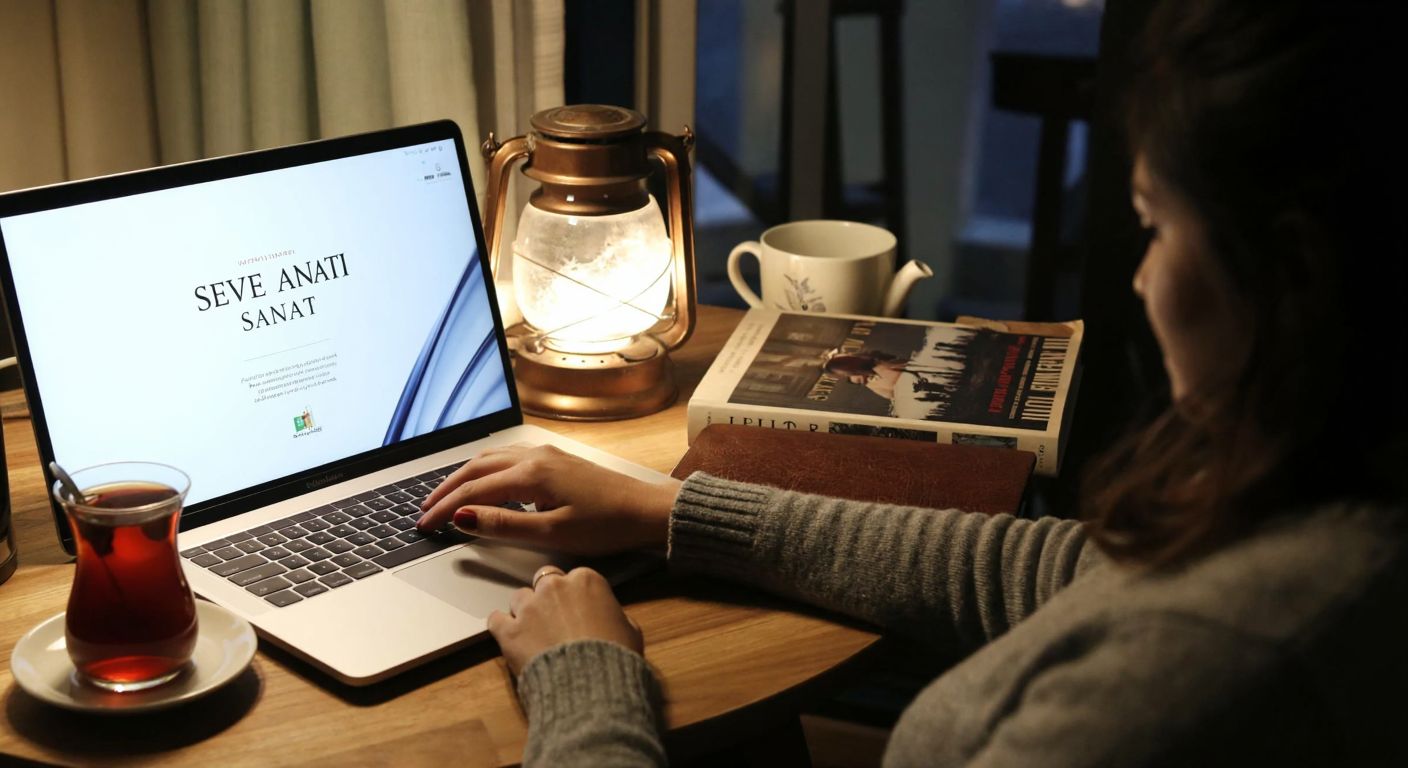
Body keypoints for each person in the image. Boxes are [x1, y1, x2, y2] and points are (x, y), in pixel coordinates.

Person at [416, 1, 1406, 764]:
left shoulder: (1194, 680)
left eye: (1158, 227)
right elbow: (1057, 573)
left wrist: (584, 683)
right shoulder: (1324, 522)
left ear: (1293, 276)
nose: (1142, 279)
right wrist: (671, 511)